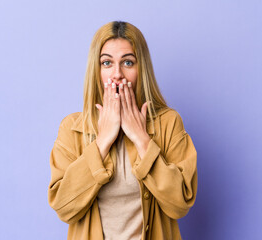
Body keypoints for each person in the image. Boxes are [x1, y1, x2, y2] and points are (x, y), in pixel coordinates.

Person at [47, 21, 198, 240]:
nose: (117, 74)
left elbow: (180, 204)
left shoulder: (168, 123)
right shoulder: (72, 128)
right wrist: (102, 143)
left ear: (141, 69)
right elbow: (63, 207)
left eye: (128, 62)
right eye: (107, 63)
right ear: (96, 71)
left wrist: (142, 140)